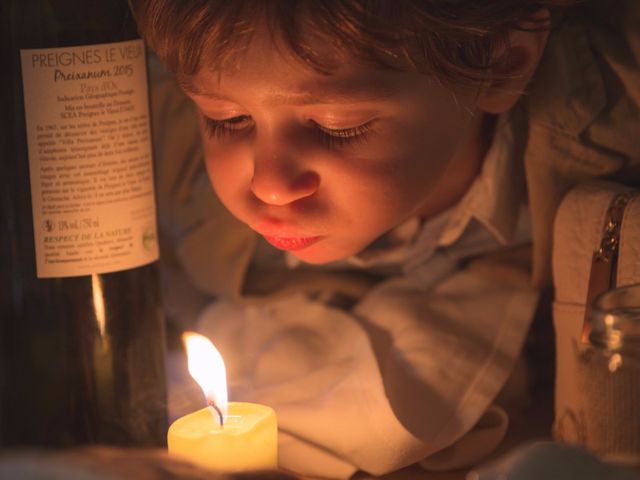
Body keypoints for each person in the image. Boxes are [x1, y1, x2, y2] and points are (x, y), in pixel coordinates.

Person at [130, 1, 640, 478]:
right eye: (227, 118)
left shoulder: (617, 123)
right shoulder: (144, 145)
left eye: (338, 126)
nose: (269, 184)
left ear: (498, 62)